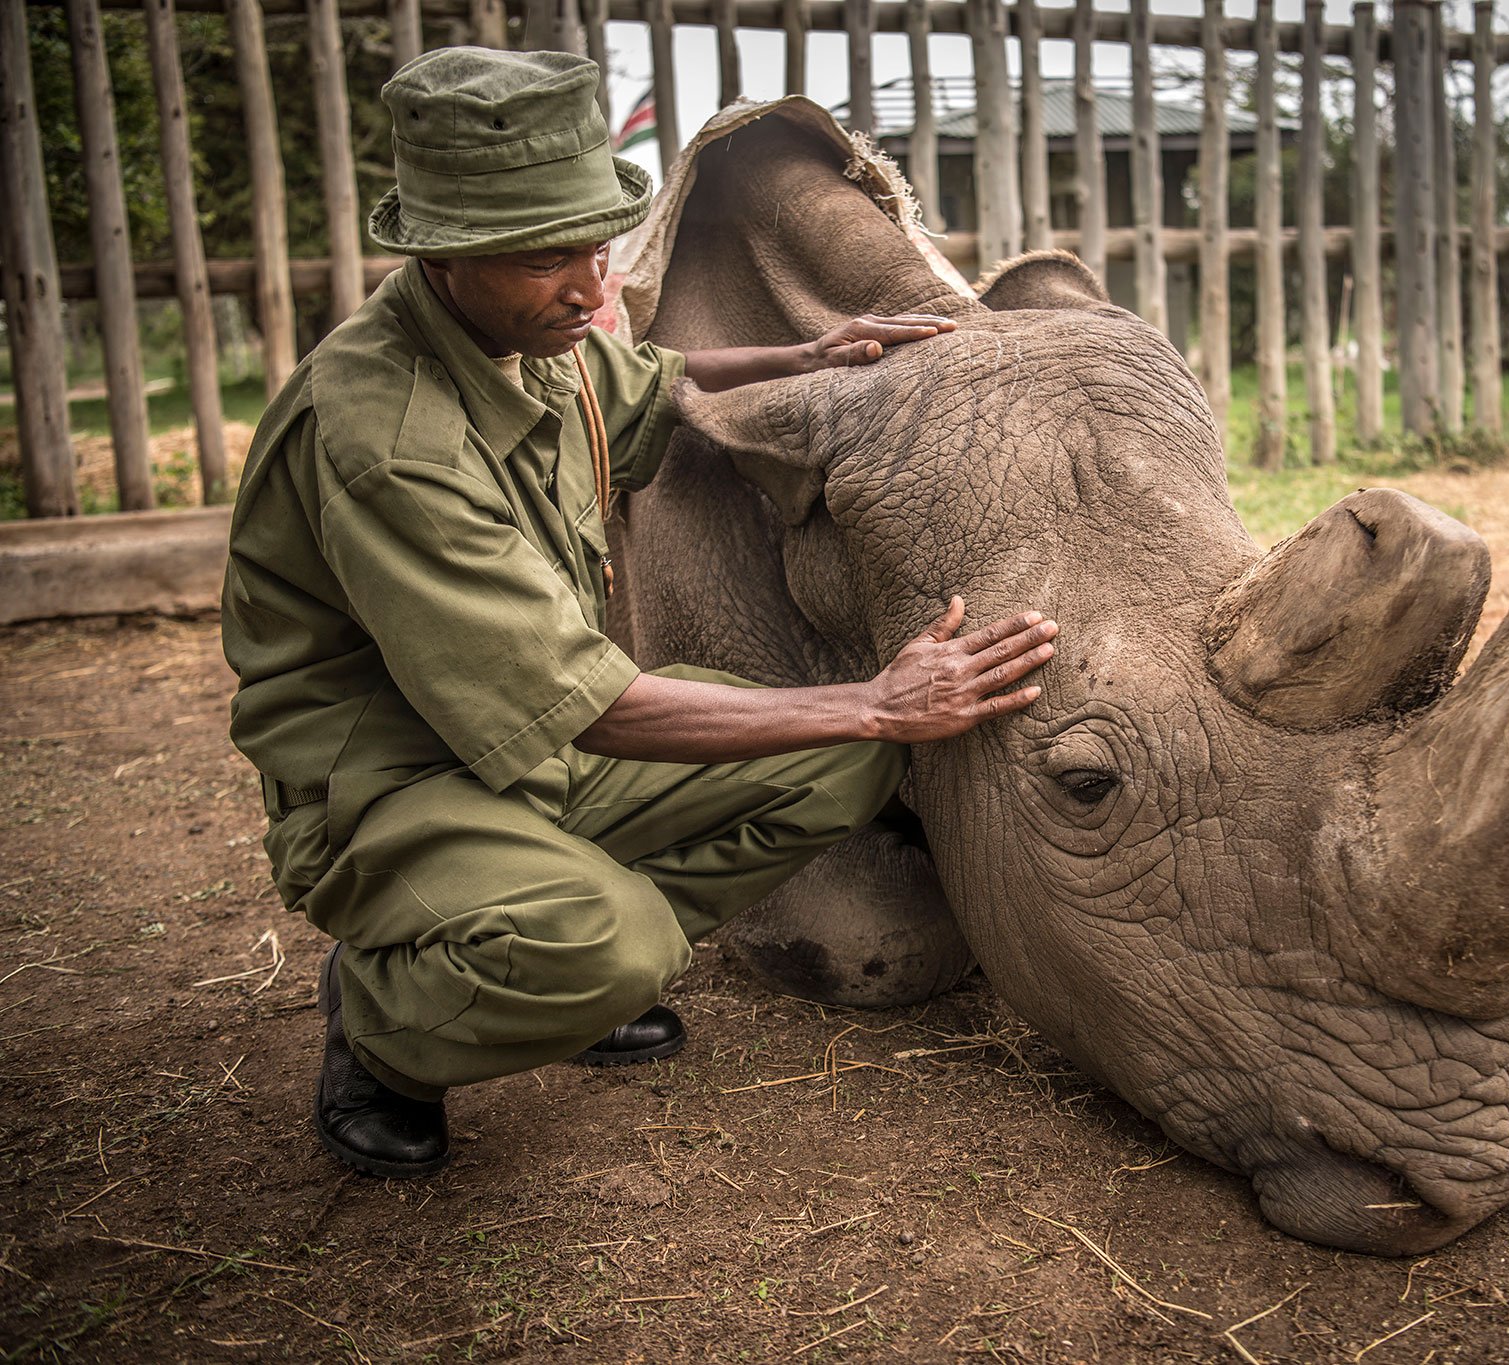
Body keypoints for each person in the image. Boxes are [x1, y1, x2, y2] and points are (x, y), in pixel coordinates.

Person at [219, 47, 1057, 1179]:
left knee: (841, 769)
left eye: (594, 248)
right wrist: (872, 700)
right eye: (543, 260)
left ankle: (545, 954)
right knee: (623, 940)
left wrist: (807, 351)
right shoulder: (388, 446)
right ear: (443, 255)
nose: (588, 289)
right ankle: (389, 1018)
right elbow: (591, 709)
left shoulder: (520, 336)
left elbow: (648, 379)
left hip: (525, 750)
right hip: (392, 782)